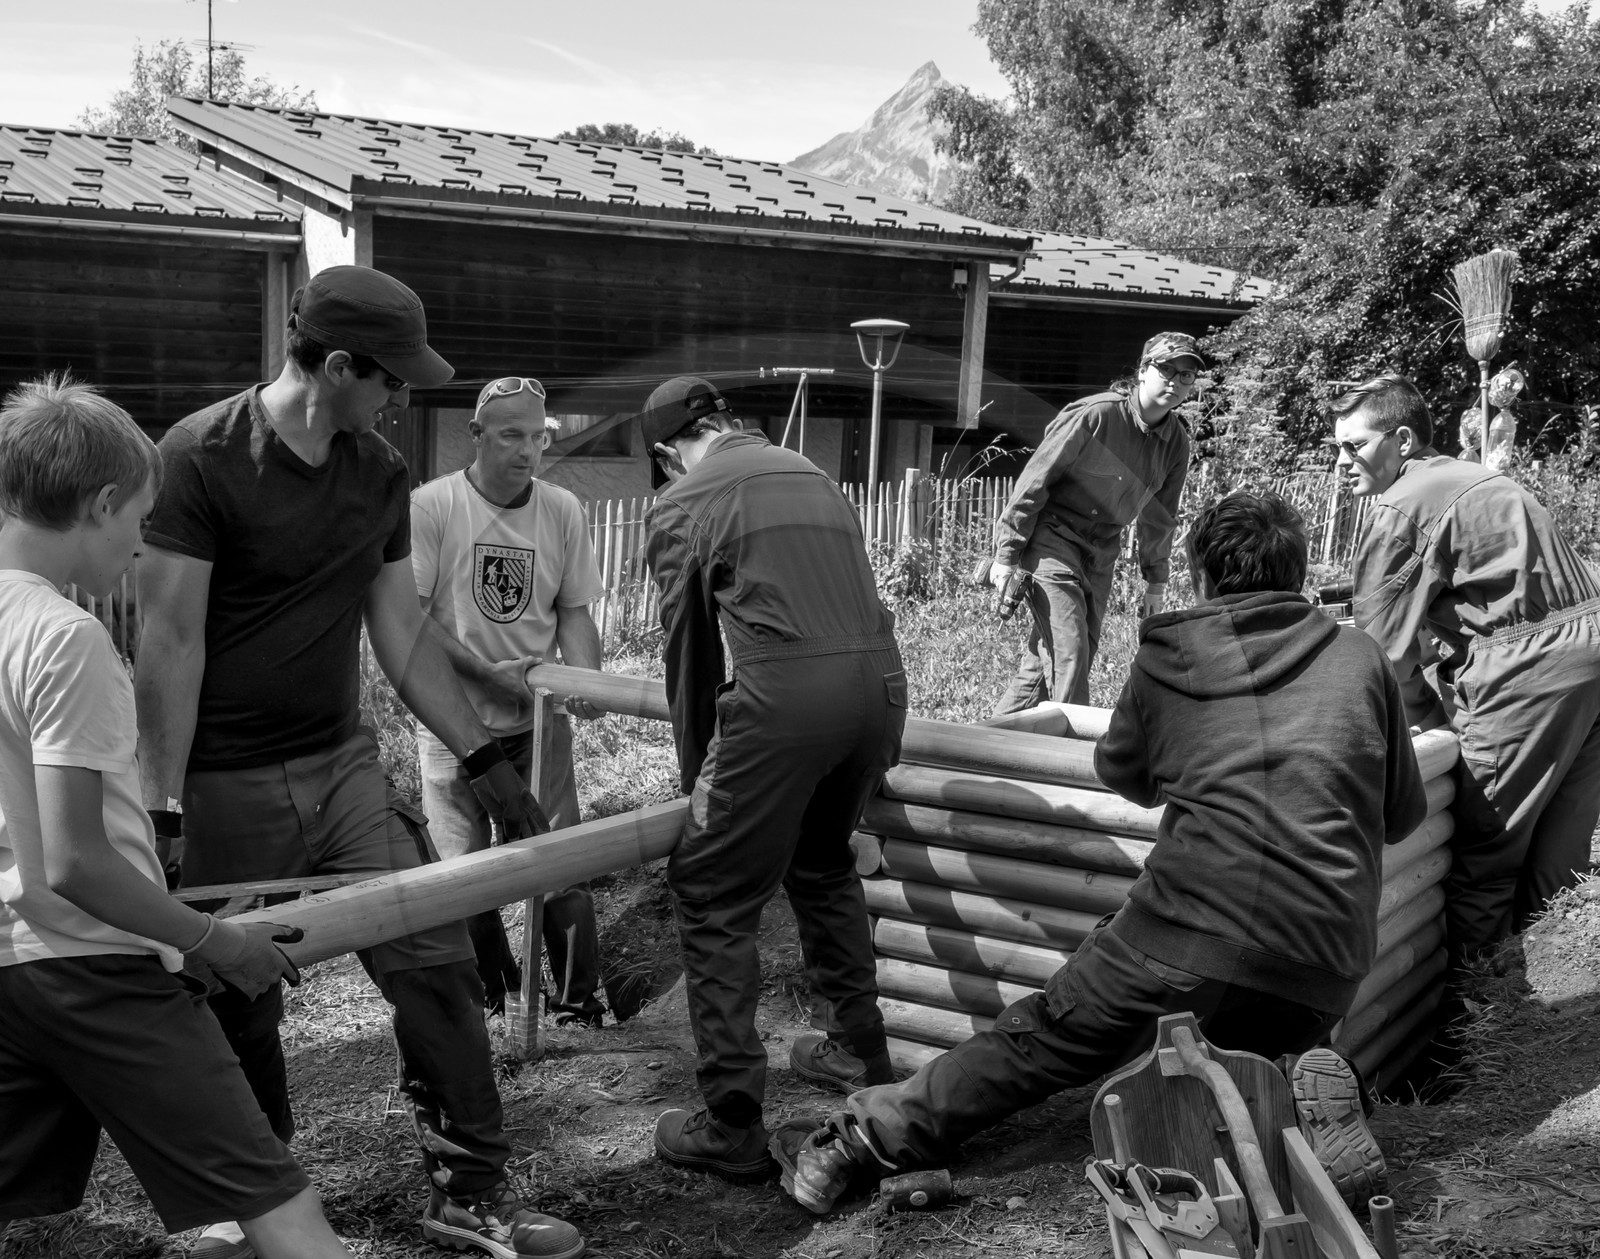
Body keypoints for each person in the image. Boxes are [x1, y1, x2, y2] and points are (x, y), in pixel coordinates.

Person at [0, 377, 604, 1259]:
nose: (140, 543)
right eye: (135, 518)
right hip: (95, 967)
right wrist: (202, 941)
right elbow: (71, 864)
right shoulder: (65, 638)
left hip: (12, 967)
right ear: (91, 504)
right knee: (285, 1210)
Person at [772, 489, 1427, 1214]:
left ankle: (863, 1138)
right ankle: (1288, 1123)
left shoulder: (1175, 654)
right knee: (1229, 1061)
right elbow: (1401, 816)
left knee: (1043, 1039)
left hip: (1184, 935)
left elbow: (1126, 776)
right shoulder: (1362, 658)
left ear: (1201, 578)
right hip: (1325, 959)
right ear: (1300, 574)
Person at [133, 266, 584, 1259]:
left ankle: (470, 1189)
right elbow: (168, 642)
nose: (400, 401)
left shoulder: (376, 472)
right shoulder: (200, 458)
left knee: (433, 951)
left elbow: (399, 629)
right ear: (335, 366)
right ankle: (253, 1201)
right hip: (221, 778)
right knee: (238, 994)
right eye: (388, 380)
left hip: (340, 763)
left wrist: (485, 761)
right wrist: (160, 807)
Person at [639, 376, 907, 1177]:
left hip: (788, 699)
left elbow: (690, 657)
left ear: (665, 452)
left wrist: (701, 788)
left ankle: (730, 1121)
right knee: (823, 863)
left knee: (714, 892)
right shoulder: (808, 472)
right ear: (729, 422)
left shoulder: (683, 499)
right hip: (881, 691)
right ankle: (859, 1056)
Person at [1334, 372, 1600, 962]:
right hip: (1590, 654)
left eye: (1354, 446)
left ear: (1403, 440)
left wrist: (1427, 724)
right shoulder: (1478, 475)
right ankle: (1549, 1026)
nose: (1342, 462)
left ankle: (1476, 1037)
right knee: (1559, 856)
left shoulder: (1403, 506)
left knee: (1488, 855)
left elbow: (1379, 654)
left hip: (1531, 668)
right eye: (1337, 449)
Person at [412, 376, 607, 1025]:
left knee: (561, 866)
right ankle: (495, 998)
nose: (528, 451)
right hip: (450, 725)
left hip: (538, 722)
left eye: (537, 437)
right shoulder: (432, 509)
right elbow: (408, 623)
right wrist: (489, 674)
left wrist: (586, 681)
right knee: (462, 875)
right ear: (475, 436)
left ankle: (579, 1005)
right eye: (511, 436)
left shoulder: (561, 510)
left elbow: (574, 612)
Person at [989, 332, 1200, 713]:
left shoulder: (1176, 443)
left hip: (1102, 551)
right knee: (1070, 654)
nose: (1175, 380)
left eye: (1186, 374)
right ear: (1142, 370)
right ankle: (1067, 761)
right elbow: (1035, 481)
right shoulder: (1096, 414)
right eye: (1166, 368)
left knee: (1051, 660)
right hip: (1053, 539)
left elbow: (1160, 516)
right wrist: (1007, 554)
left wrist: (1156, 580)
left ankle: (983, 746)